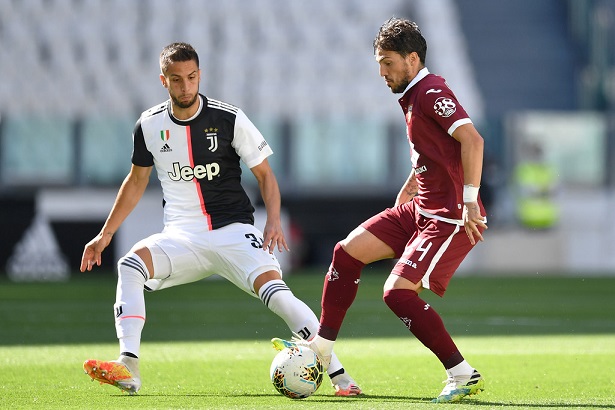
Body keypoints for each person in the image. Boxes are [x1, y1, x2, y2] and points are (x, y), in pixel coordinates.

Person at [80, 42, 361, 397]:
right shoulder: (149, 125)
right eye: (177, 79)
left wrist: (273, 220)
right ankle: (129, 366)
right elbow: (136, 181)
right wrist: (105, 234)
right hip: (182, 237)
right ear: (163, 81)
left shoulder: (229, 118)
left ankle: (341, 378)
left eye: (192, 77)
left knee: (280, 298)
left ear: (200, 75)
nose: (186, 86)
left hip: (234, 232)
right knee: (130, 265)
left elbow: (265, 176)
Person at [273, 18, 487, 403]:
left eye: (387, 62)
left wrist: (470, 200)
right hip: (422, 205)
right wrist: (412, 181)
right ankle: (322, 346)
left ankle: (462, 374)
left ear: (412, 58)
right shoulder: (412, 94)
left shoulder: (431, 90)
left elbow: (472, 139)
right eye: (378, 63)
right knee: (346, 251)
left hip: (450, 215)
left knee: (396, 293)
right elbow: (434, 149)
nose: (381, 72)